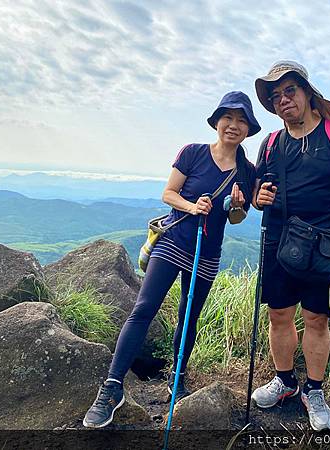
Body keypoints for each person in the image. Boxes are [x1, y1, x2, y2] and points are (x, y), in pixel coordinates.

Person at [83, 91, 260, 428]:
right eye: (228, 117)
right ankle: (112, 386)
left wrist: (236, 206)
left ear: (249, 129)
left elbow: (237, 217)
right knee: (144, 308)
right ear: (217, 121)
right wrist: (192, 207)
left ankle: (177, 380)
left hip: (206, 254)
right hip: (173, 242)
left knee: (188, 316)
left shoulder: (246, 172)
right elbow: (168, 193)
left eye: (241, 120)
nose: (233, 125)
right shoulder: (193, 153)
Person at [251, 61, 330, 431]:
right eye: (276, 96)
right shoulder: (270, 144)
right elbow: (256, 193)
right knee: (279, 314)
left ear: (306, 93)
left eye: (289, 91)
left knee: (317, 318)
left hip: (326, 246)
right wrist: (259, 198)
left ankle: (313, 390)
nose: (283, 100)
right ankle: (285, 381)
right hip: (278, 241)